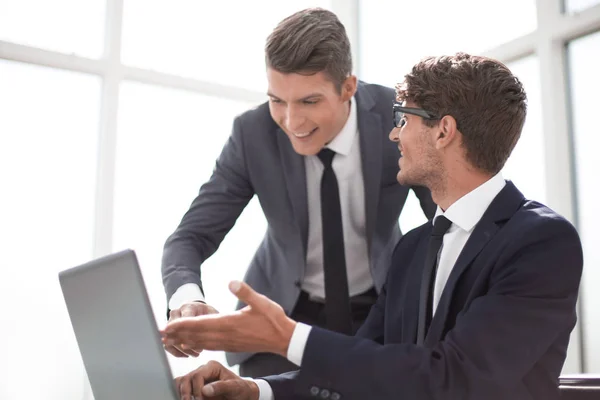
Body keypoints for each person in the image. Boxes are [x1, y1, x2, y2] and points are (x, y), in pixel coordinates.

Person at [161, 52, 584, 400]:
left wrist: (285, 337)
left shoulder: (541, 242)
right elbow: (369, 366)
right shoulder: (415, 248)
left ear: (444, 132)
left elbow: (454, 380)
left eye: (403, 120)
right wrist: (256, 390)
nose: (393, 135)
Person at [161, 7, 435, 377]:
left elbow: (447, 219)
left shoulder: (396, 121)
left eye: (309, 101)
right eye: (277, 100)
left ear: (348, 88)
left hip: (379, 312)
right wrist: (187, 299)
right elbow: (190, 237)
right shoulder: (252, 134)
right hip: (279, 313)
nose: (292, 122)